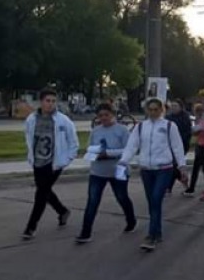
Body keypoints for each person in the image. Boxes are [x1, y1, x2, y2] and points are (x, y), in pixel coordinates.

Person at [119, 98, 188, 251]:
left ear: (162, 110)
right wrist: (124, 161)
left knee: (156, 198)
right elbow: (132, 145)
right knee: (152, 202)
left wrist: (182, 166)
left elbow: (177, 147)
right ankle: (157, 232)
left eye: (156, 109)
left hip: (164, 168)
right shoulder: (140, 127)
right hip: (146, 169)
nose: (153, 112)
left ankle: (151, 236)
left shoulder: (169, 126)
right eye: (150, 109)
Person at [22, 88, 79, 239]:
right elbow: (28, 137)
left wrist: (66, 160)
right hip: (38, 161)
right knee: (44, 191)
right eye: (48, 101)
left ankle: (31, 227)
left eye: (53, 101)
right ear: (41, 102)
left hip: (54, 163)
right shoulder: (32, 119)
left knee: (41, 193)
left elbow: (73, 143)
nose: (51, 104)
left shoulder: (63, 120)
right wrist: (31, 156)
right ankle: (62, 211)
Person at [75, 103, 136, 243]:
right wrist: (93, 153)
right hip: (98, 171)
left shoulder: (122, 130)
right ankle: (85, 232)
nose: (103, 118)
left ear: (113, 115)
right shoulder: (96, 131)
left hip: (118, 170)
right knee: (92, 201)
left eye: (106, 115)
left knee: (122, 197)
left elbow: (128, 150)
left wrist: (108, 153)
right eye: (100, 116)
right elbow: (90, 146)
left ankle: (131, 220)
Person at [185, 103, 204, 201]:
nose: (198, 114)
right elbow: (195, 132)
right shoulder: (199, 120)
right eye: (196, 112)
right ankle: (195, 188)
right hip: (200, 145)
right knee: (199, 168)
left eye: (199, 112)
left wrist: (199, 128)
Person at [166, 100, 193, 194]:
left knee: (174, 166)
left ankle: (169, 187)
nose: (173, 108)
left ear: (181, 107)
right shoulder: (168, 117)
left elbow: (188, 132)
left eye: (175, 106)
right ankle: (183, 180)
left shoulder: (185, 117)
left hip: (181, 145)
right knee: (173, 166)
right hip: (169, 145)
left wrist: (181, 142)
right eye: (172, 106)